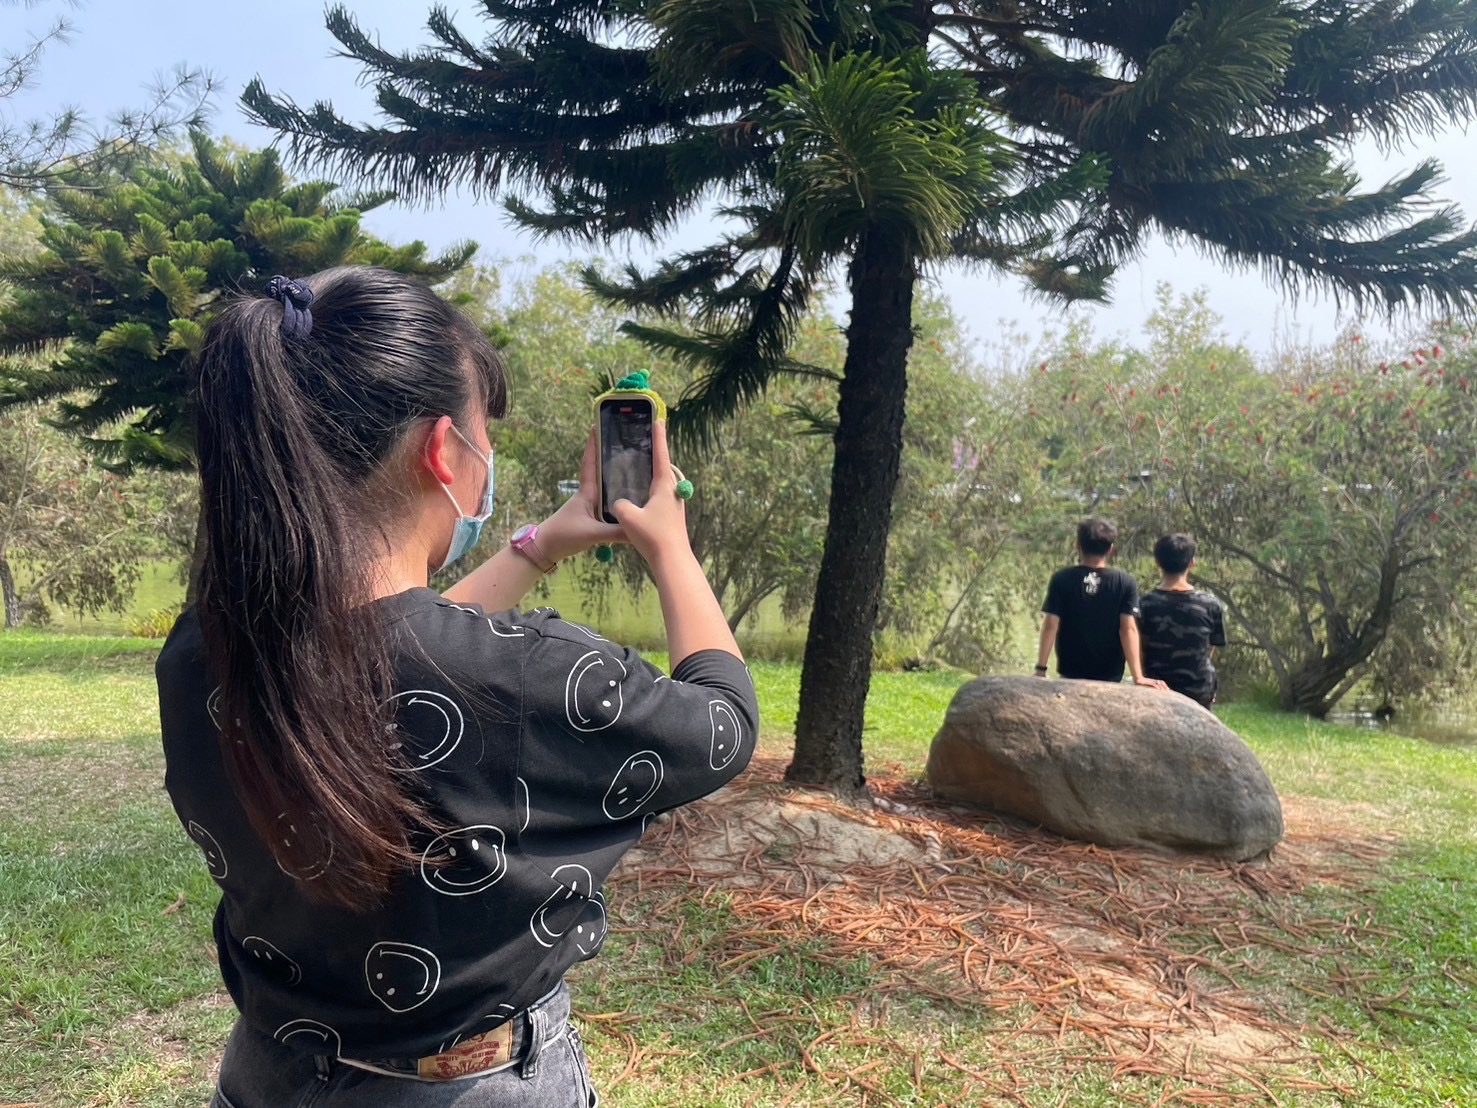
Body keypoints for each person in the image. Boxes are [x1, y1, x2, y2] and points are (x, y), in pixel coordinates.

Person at [156, 267, 758, 1107]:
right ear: (443, 451)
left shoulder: (202, 651)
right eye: (487, 434)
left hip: (266, 1074)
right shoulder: (530, 675)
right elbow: (722, 724)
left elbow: (394, 657)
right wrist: (671, 549)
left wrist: (538, 545)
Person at [1034, 518, 1166, 688]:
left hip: (1071, 672)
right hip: (1109, 675)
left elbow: (1051, 624)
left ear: (1077, 546)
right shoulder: (1125, 582)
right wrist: (1138, 677)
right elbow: (1128, 629)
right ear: (1111, 550)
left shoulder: (1062, 579)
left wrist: (1041, 669)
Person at [1137, 533, 1227, 708]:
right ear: (1191, 563)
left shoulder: (1144, 604)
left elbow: (1140, 647)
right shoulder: (1210, 604)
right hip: (1199, 688)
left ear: (1157, 563)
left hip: (1157, 689)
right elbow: (1209, 647)